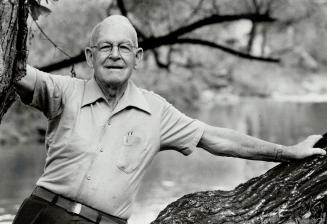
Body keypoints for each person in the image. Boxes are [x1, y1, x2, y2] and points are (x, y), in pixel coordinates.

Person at [12, 15, 325, 224]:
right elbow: (11, 70)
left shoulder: (157, 112)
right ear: (89, 57)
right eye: (105, 47)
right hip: (41, 214)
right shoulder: (63, 91)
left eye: (125, 47)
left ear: (139, 57)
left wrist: (288, 152)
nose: (115, 54)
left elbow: (219, 139)